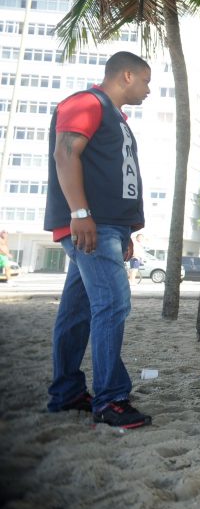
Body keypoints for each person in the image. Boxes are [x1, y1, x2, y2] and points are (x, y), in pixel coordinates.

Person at [42, 51, 152, 429]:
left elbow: (115, 173)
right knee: (113, 304)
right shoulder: (87, 102)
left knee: (77, 310)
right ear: (126, 76)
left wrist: (126, 231)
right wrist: (80, 214)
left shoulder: (114, 116)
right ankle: (111, 399)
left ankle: (68, 392)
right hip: (91, 223)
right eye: (145, 81)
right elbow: (65, 153)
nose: (148, 89)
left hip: (107, 226)